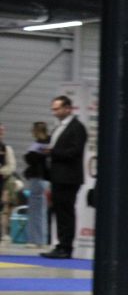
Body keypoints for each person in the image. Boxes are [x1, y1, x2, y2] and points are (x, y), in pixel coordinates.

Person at [40, 95, 87, 259]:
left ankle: (66, 247)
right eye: (53, 109)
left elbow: (75, 152)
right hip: (57, 176)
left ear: (68, 108)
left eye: (57, 108)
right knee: (58, 211)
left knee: (66, 212)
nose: (54, 112)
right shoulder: (58, 127)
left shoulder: (77, 128)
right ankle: (60, 244)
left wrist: (53, 152)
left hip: (69, 177)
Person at [23, 122, 50, 247]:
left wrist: (29, 156)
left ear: (37, 130)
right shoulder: (45, 144)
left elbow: (31, 158)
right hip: (42, 178)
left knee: (35, 209)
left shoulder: (40, 145)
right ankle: (40, 238)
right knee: (40, 209)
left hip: (38, 177)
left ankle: (35, 239)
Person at [0, 123, 14, 242]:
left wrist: (2, 172)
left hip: (2, 181)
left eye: (2, 130)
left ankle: (2, 233)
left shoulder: (6, 148)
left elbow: (11, 167)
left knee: (3, 208)